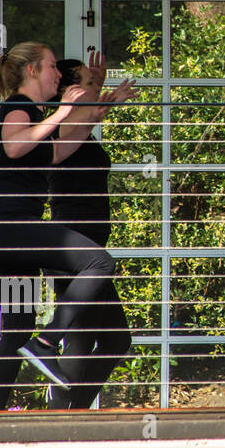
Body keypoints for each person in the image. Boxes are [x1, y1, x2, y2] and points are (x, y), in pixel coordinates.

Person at [0, 44, 129, 408]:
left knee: (16, 330)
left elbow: (58, 151)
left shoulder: (37, 114)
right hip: (7, 228)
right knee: (99, 262)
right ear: (32, 71)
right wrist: (61, 113)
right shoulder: (18, 107)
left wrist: (92, 113)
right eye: (52, 67)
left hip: (6, 238)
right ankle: (47, 340)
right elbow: (13, 146)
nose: (58, 74)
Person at [44, 55, 134, 409]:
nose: (91, 87)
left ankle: (75, 411)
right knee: (81, 338)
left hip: (91, 249)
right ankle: (59, 420)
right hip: (73, 248)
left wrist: (99, 86)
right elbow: (89, 114)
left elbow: (92, 115)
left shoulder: (78, 125)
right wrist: (101, 93)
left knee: (115, 339)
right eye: (84, 81)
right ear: (69, 91)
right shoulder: (62, 124)